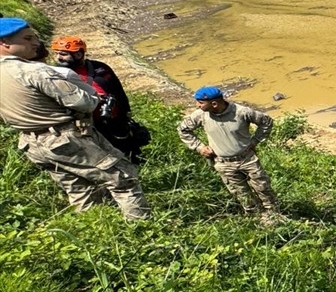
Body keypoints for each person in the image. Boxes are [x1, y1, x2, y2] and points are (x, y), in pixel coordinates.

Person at [0, 17, 151, 220]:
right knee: (123, 178)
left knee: (81, 191)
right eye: (28, 38)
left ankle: (97, 236)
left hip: (31, 143)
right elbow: (86, 103)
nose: (36, 43)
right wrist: (88, 91)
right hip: (65, 138)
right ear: (4, 43)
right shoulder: (36, 71)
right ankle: (142, 231)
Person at [178, 86, 279, 217]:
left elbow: (266, 122)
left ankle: (274, 215)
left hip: (247, 159)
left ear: (214, 103)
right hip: (223, 163)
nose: (197, 105)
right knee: (242, 194)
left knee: (264, 189)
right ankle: (256, 219)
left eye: (201, 102)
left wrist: (255, 141)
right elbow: (183, 130)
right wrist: (200, 147)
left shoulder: (241, 112)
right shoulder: (201, 115)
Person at [50, 35, 149, 163]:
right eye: (57, 54)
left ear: (79, 55)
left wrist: (125, 112)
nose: (58, 57)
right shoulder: (57, 74)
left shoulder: (100, 68)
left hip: (114, 117)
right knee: (104, 154)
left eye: (63, 54)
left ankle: (136, 164)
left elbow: (118, 90)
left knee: (128, 145)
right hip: (88, 122)